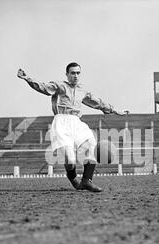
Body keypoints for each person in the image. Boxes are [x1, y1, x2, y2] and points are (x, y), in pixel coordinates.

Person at [17, 62, 128, 192]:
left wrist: (115, 110)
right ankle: (74, 179)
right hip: (61, 122)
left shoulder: (82, 90)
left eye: (78, 73)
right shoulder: (59, 86)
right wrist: (27, 78)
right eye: (73, 73)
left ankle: (87, 181)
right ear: (67, 74)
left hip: (76, 122)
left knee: (92, 145)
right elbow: (43, 87)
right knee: (70, 160)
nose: (76, 75)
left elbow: (98, 102)